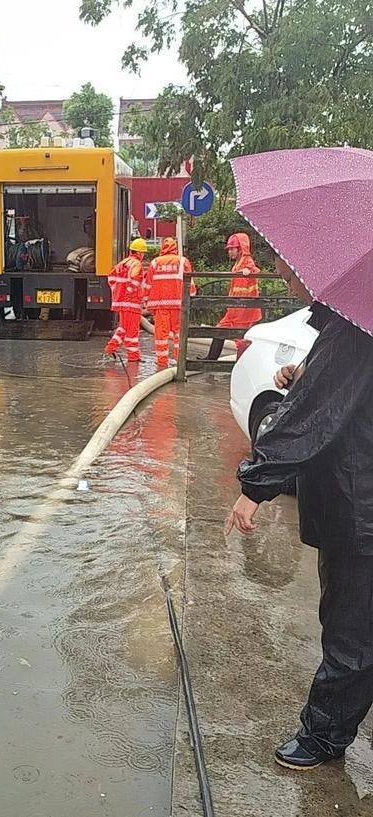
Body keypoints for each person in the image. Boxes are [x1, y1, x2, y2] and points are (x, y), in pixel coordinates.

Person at [226, 255, 373, 771]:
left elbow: (313, 419)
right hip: (360, 496)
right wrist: (306, 374)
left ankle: (324, 737)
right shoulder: (348, 323)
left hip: (361, 506)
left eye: (290, 266)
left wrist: (256, 485)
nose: (287, 275)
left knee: (352, 630)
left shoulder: (354, 327)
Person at [203, 233, 262, 360]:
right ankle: (210, 359)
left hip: (245, 312)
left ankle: (240, 366)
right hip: (234, 309)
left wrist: (249, 271)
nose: (229, 252)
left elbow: (255, 270)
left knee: (241, 340)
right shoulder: (237, 264)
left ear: (240, 248)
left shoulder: (247, 261)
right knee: (220, 330)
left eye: (232, 248)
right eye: (229, 249)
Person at [146, 237, 196, 368]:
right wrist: (191, 299)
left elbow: (148, 285)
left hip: (160, 305)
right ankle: (180, 360)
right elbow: (189, 283)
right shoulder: (183, 261)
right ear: (175, 248)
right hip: (179, 304)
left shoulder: (155, 263)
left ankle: (162, 361)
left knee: (161, 334)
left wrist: (147, 303)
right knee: (179, 333)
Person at [104, 238, 147, 363]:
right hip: (131, 303)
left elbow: (111, 277)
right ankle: (133, 357)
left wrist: (117, 292)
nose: (143, 255)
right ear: (139, 253)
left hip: (121, 302)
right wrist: (132, 292)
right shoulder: (137, 264)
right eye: (143, 252)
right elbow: (134, 279)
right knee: (132, 330)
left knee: (123, 327)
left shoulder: (122, 263)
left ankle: (111, 347)